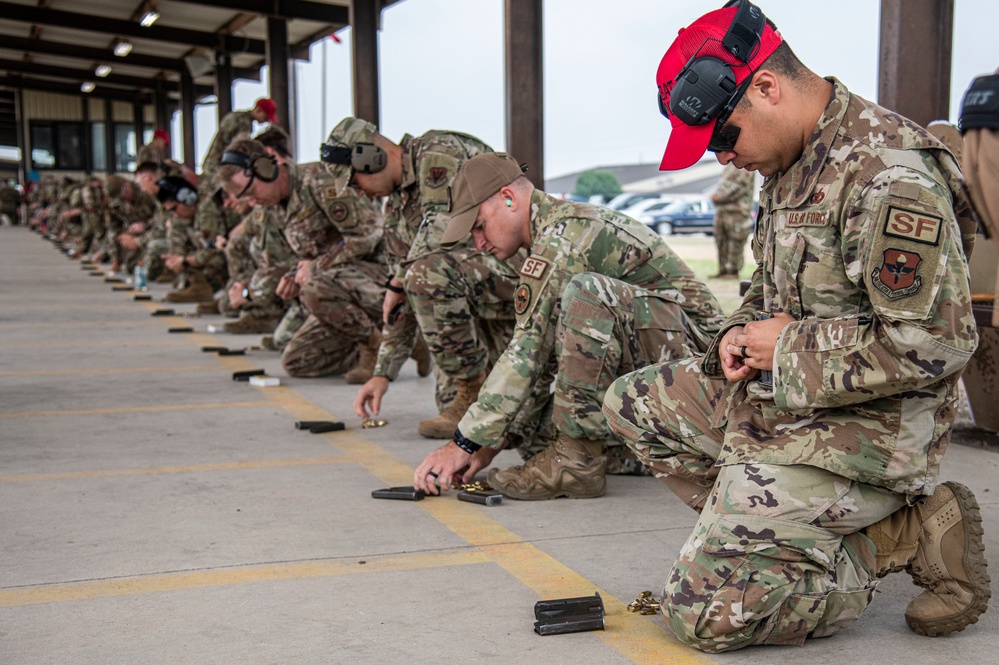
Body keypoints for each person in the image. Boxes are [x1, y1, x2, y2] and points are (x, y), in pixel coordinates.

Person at [601, 1, 987, 652]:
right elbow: (766, 286)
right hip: (792, 400)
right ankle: (781, 540)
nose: (724, 159)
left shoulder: (885, 170)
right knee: (632, 403)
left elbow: (937, 340)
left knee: (703, 613)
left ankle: (892, 535)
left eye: (724, 138)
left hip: (870, 430)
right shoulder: (785, 163)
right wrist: (737, 333)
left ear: (767, 87)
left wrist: (786, 345)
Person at [412, 152, 726, 500]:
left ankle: (576, 464)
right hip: (663, 372)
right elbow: (540, 354)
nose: (479, 243)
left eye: (479, 226)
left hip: (706, 378)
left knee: (588, 294)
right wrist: (488, 446)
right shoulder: (546, 236)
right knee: (530, 430)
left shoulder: (565, 235)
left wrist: (464, 442)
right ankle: (654, 451)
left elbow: (527, 352)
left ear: (508, 197)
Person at [323, 118, 521, 438]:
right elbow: (403, 298)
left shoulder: (438, 153)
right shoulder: (397, 210)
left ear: (369, 158)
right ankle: (475, 389)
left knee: (425, 274)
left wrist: (398, 280)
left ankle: (474, 388)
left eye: (355, 181)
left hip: (516, 273)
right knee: (457, 410)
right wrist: (382, 374)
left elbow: (442, 228)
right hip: (472, 292)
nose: (359, 192)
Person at [216, 137, 388, 380]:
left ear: (266, 168)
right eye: (246, 199)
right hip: (329, 289)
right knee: (297, 361)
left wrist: (316, 267)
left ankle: (376, 345)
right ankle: (390, 341)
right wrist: (288, 279)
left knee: (315, 286)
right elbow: (280, 262)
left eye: (252, 192)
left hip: (378, 277)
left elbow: (369, 234)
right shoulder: (273, 209)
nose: (253, 202)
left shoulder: (320, 181)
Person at [709, 163, 755, 278]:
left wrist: (719, 197)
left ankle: (732, 271)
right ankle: (723, 269)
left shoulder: (745, 162)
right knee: (721, 239)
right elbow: (724, 184)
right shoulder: (729, 164)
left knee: (735, 241)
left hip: (737, 211)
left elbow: (739, 186)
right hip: (722, 209)